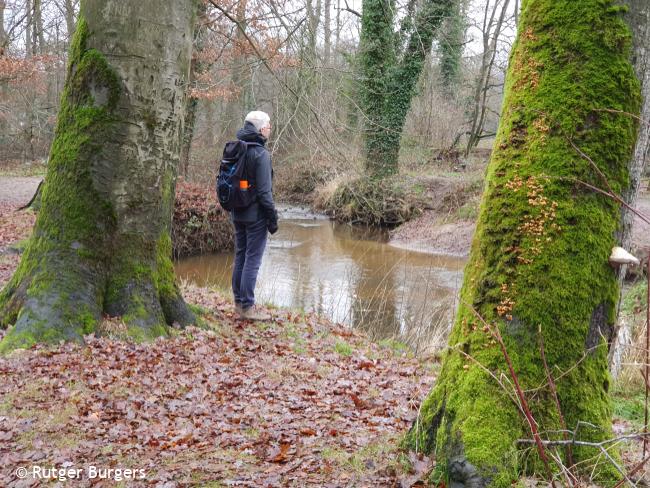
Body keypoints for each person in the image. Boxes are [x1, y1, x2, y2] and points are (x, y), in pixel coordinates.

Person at [231, 111, 278, 320]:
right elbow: (264, 193)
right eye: (268, 126)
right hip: (256, 215)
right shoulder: (261, 154)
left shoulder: (237, 148)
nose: (270, 129)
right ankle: (248, 308)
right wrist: (273, 218)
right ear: (260, 129)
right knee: (252, 259)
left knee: (240, 255)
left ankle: (239, 303)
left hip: (237, 212)